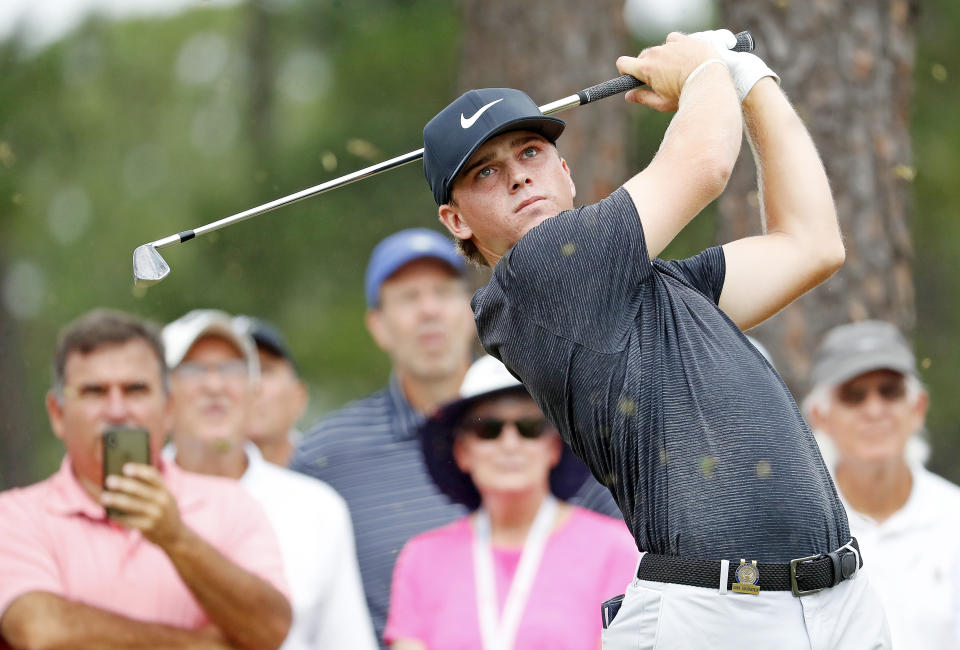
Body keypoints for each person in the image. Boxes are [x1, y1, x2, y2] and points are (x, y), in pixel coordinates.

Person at [422, 29, 889, 648]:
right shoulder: (535, 278)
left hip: (836, 601)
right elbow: (704, 164)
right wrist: (702, 67)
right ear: (456, 221)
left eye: (529, 152)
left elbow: (812, 244)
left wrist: (749, 79)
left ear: (563, 170)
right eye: (486, 171)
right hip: (717, 615)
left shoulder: (655, 287)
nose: (516, 177)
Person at [290, 228, 622, 647]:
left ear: (470, 309)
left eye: (444, 292)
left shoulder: (556, 420)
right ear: (378, 326)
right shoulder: (328, 454)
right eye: (409, 298)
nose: (429, 310)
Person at [0, 309, 291, 650]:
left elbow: (271, 630)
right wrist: (204, 645)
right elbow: (43, 632)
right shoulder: (14, 515)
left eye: (135, 390)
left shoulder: (231, 504)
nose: (117, 410)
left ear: (168, 409)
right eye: (95, 392)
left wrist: (176, 538)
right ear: (58, 414)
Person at [385, 356, 638, 650]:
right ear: (463, 451)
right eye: (487, 429)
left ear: (555, 446)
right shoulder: (421, 558)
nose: (509, 443)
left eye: (529, 427)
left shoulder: (615, 549)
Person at [162, 309, 377, 650]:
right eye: (193, 370)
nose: (215, 385)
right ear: (163, 393)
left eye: (232, 370)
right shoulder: (128, 499)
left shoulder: (317, 508)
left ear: (252, 391)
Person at [804, 320, 960, 649]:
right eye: (854, 396)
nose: (874, 410)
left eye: (890, 391)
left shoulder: (954, 517)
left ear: (917, 408)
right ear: (821, 416)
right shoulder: (799, 524)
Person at [234, 316, 309, 467]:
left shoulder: (334, 470)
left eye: (265, 370)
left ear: (298, 397)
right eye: (237, 371)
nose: (253, 385)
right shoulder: (173, 482)